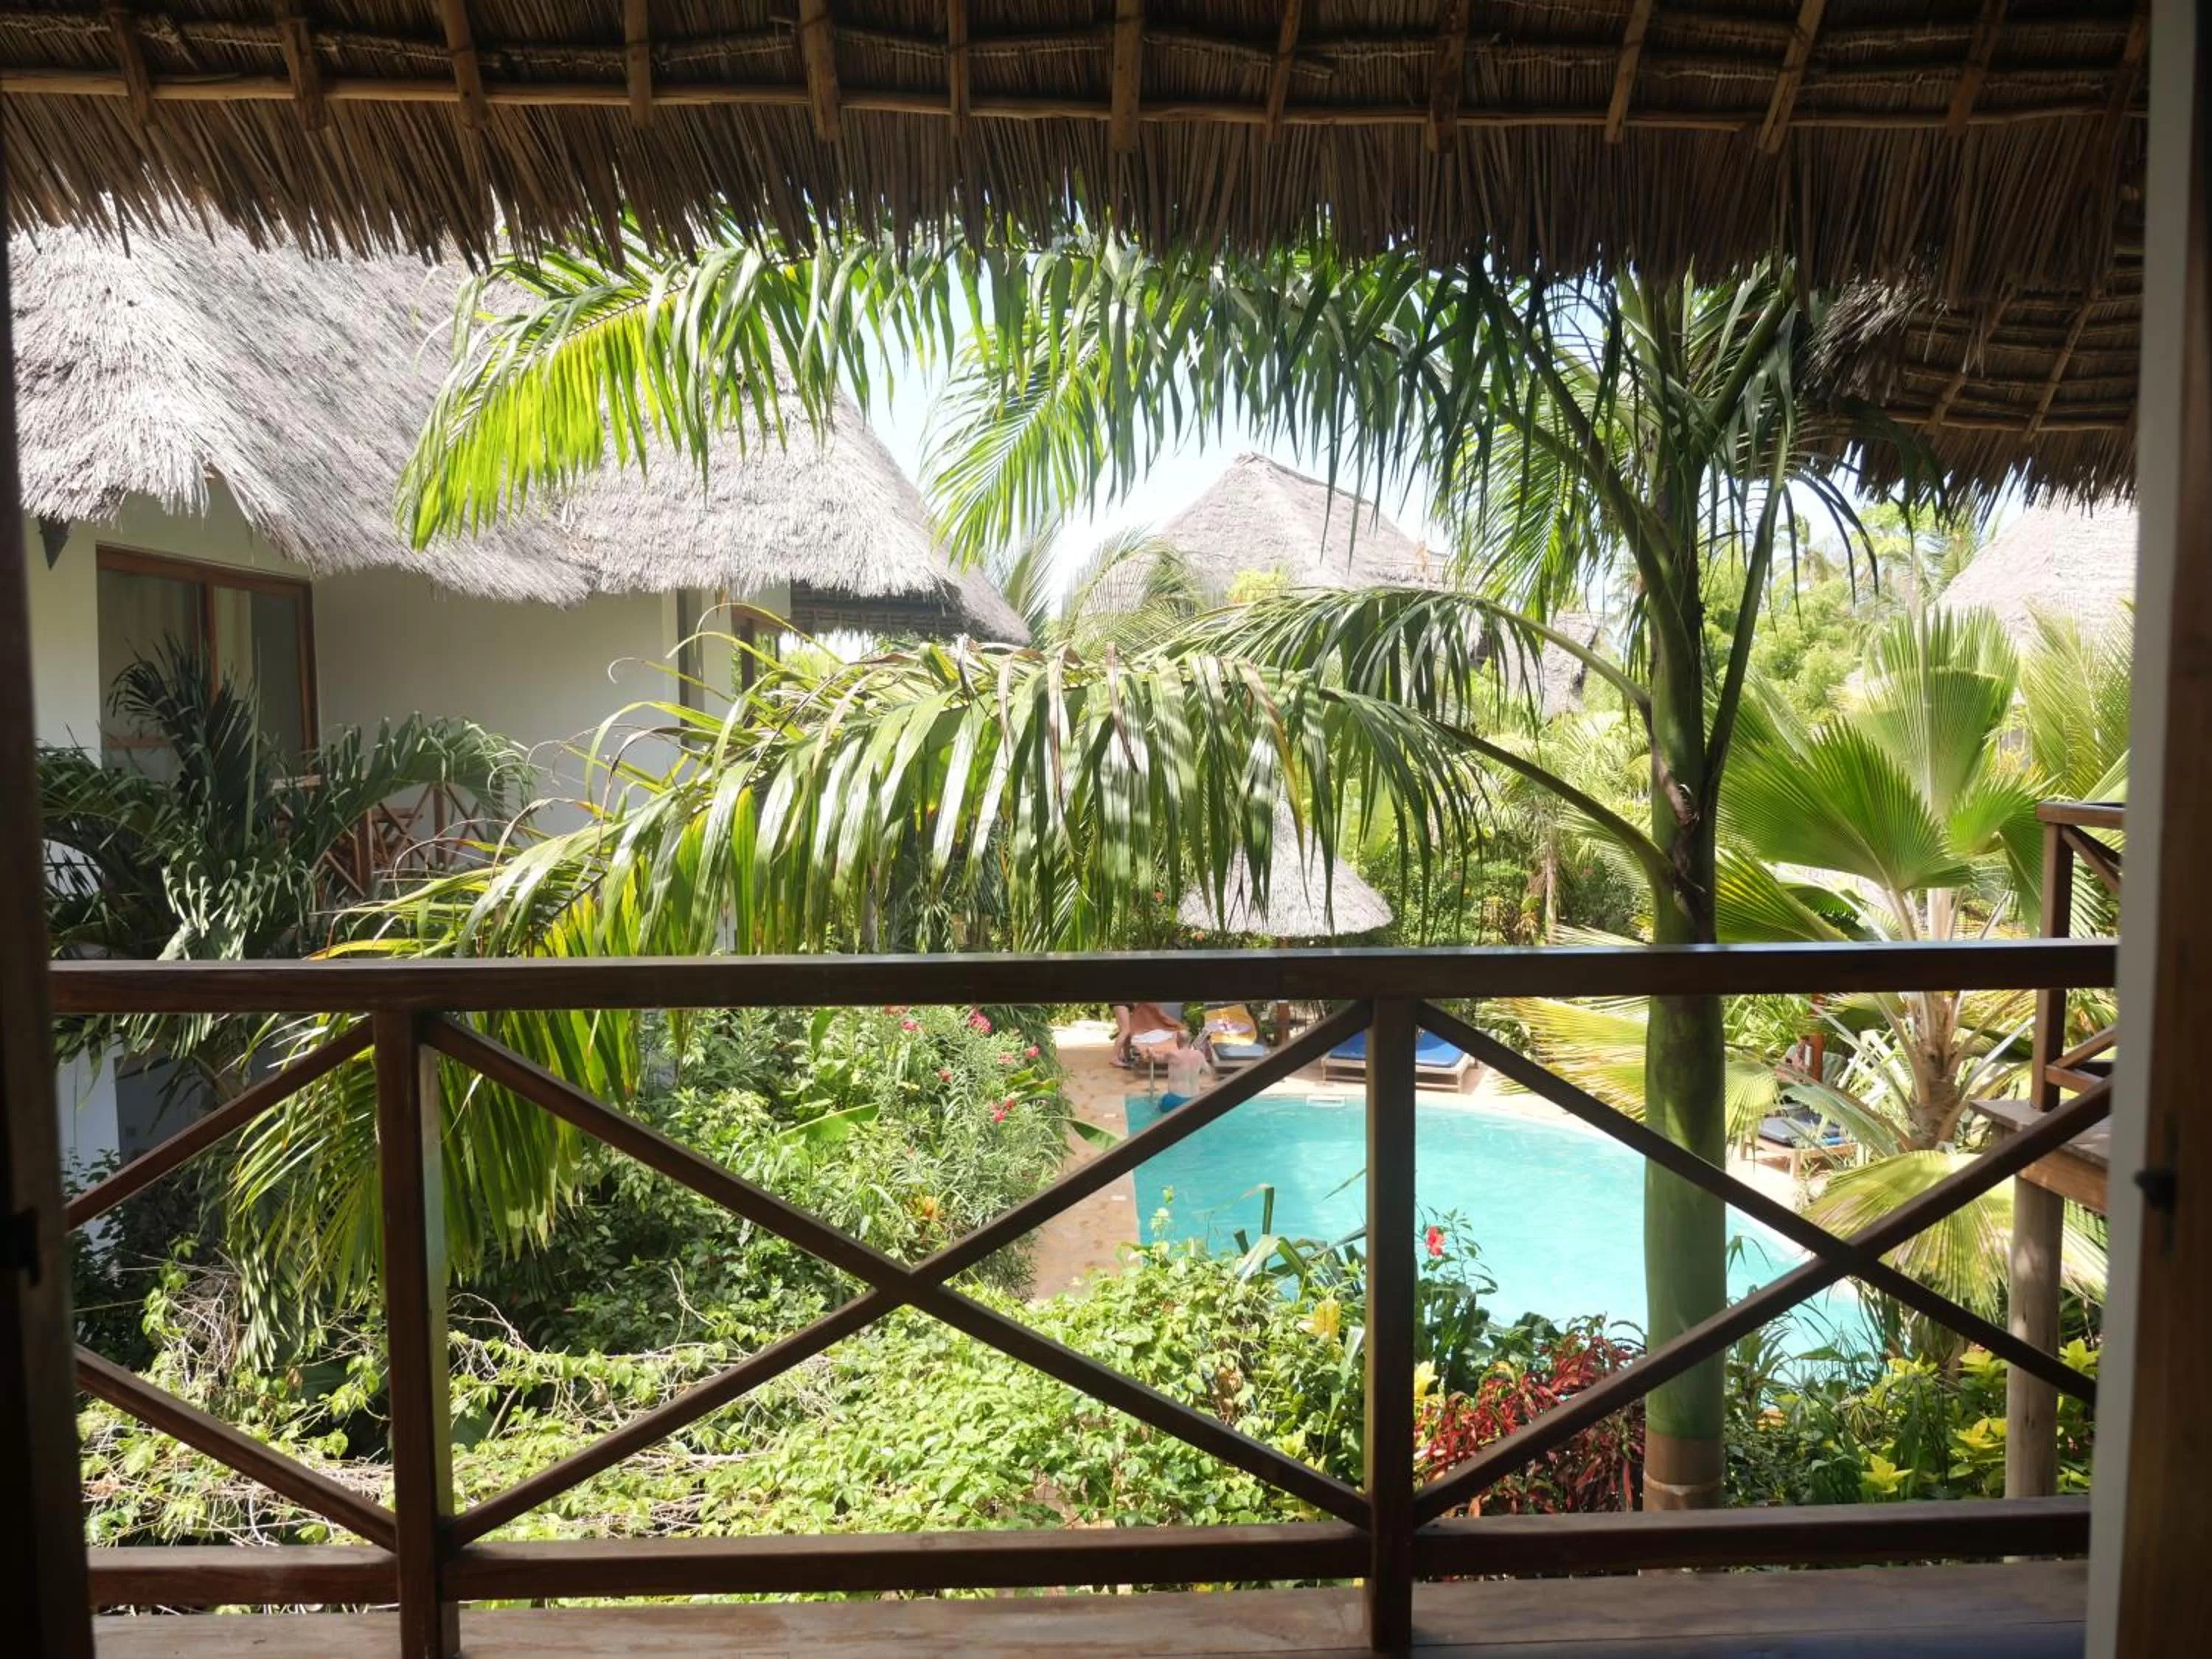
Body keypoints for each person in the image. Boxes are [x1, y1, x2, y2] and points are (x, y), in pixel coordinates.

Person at [1111, 1001, 1186, 1067]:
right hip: (1121, 1004)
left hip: (1124, 1005)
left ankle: (1127, 1056)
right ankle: (1114, 1058)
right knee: (1125, 1031)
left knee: (1127, 1032)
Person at [1160, 1032, 1212, 1111]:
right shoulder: (1199, 1055)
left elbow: (1156, 1058)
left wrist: (1149, 1052)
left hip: (1175, 1099)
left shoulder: (1172, 1054)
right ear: (1190, 1040)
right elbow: (1209, 1071)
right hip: (1194, 1099)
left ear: (1178, 1040)